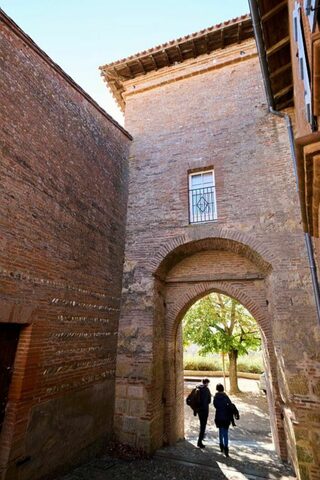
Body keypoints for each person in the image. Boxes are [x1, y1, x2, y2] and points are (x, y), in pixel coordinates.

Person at [213, 383, 237, 457]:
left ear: (217, 389)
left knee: (220, 431)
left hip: (219, 416)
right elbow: (230, 405)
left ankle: (221, 446)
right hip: (226, 417)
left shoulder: (216, 397)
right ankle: (226, 448)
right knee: (225, 433)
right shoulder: (225, 397)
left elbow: (215, 405)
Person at [197, 378, 211, 448]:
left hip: (199, 410)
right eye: (208, 383)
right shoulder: (206, 389)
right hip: (205, 410)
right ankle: (199, 442)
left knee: (201, 424)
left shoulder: (198, 388)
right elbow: (209, 401)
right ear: (206, 383)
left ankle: (201, 438)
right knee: (203, 426)